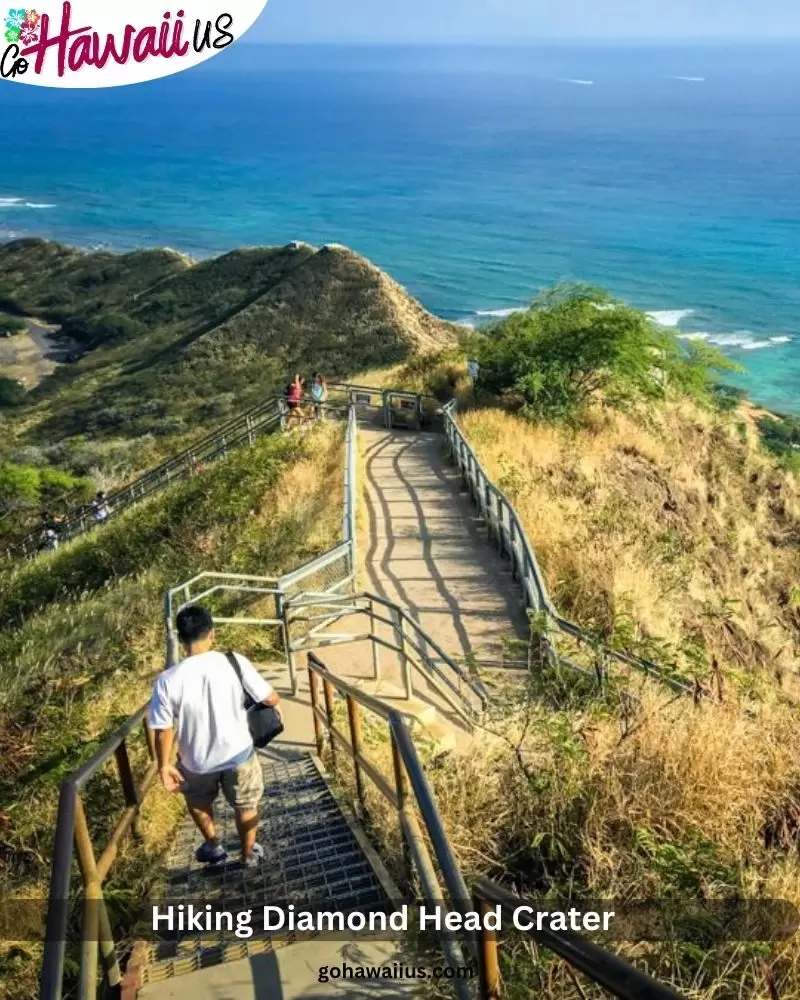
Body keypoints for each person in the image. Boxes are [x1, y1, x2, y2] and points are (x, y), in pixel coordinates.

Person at [149, 605, 281, 867]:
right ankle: (247, 855)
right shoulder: (233, 661)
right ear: (212, 634)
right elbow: (270, 697)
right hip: (238, 753)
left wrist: (163, 765)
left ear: (181, 639)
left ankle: (214, 846)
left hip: (195, 760)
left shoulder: (166, 680)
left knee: (198, 802)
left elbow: (163, 728)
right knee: (245, 805)